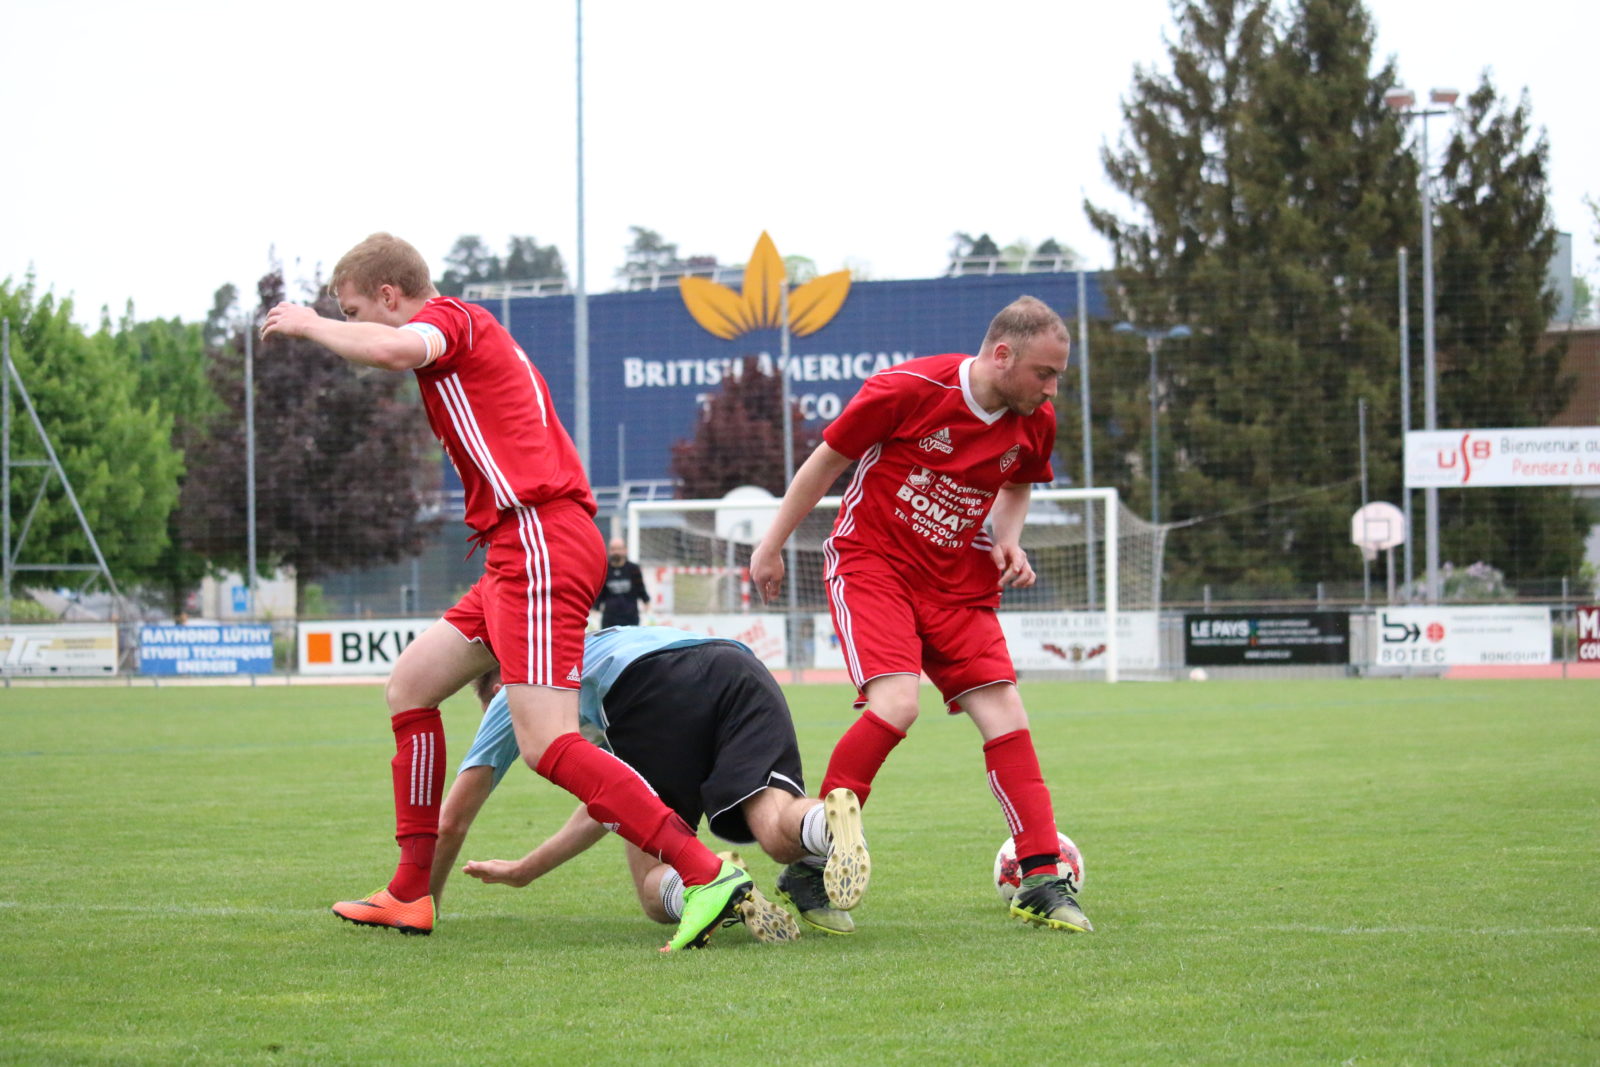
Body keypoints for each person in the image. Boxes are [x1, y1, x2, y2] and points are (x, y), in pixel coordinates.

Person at [261, 233, 754, 951]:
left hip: (540, 539)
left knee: (547, 743)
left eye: (356, 310)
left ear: (391, 297)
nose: (351, 324)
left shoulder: (453, 320)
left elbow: (394, 349)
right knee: (410, 685)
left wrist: (310, 324)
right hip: (512, 550)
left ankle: (704, 871)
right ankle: (410, 892)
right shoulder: (461, 334)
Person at [748, 294, 1093, 933]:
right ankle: (813, 863)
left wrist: (1008, 538)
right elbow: (826, 462)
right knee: (898, 704)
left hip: (958, 584)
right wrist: (771, 545)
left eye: (1057, 377)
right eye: (1044, 373)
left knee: (1007, 715)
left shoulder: (1035, 419)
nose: (1051, 389)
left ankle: (1042, 878)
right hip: (873, 565)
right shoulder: (908, 389)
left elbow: (1018, 480)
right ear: (1002, 355)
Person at [432, 625, 869, 941]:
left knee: (651, 886)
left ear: (498, 688)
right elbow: (610, 803)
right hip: (736, 666)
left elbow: (452, 820)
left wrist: (421, 902)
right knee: (777, 830)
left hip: (649, 688)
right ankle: (826, 827)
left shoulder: (517, 688)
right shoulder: (596, 646)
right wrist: (527, 870)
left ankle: (718, 884)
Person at [594, 537, 650, 628]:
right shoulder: (604, 569)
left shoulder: (634, 569)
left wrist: (647, 604)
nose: (616, 552)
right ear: (609, 551)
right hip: (609, 622)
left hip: (631, 620)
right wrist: (594, 609)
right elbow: (600, 594)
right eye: (613, 549)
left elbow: (641, 589)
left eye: (619, 549)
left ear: (625, 550)